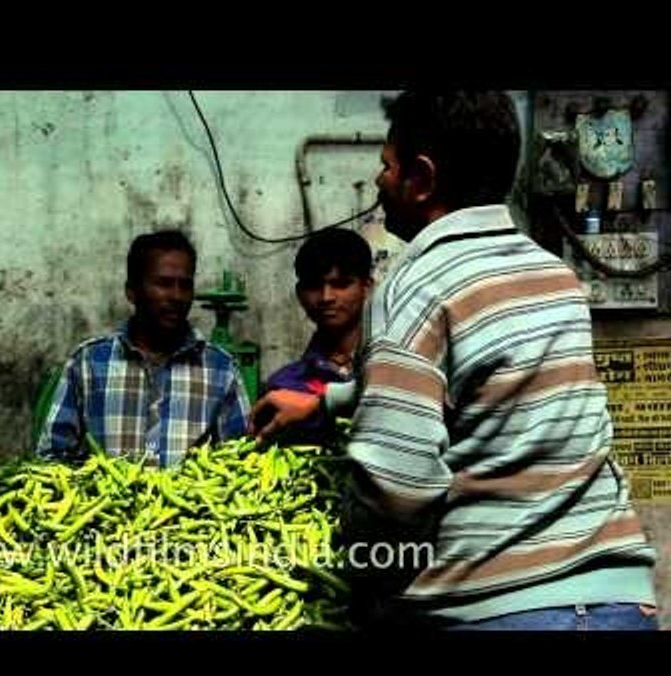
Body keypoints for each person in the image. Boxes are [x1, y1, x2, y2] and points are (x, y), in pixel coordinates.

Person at [250, 90, 658, 630]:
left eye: (386, 166)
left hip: (497, 609)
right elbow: (488, 390)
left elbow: (396, 488)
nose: (378, 181)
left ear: (421, 179)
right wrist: (327, 405)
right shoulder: (554, 276)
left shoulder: (416, 287)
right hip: (618, 601)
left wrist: (350, 557)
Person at [37, 230, 251, 468]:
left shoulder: (221, 370)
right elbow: (53, 456)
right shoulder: (88, 363)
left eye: (185, 285)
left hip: (194, 505)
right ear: (132, 291)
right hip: (107, 504)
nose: (176, 296)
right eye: (164, 283)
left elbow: (239, 462)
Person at [258, 228, 373, 445]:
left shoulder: (393, 366)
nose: (326, 297)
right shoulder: (284, 387)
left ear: (366, 286)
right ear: (300, 293)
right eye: (314, 285)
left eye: (341, 284)